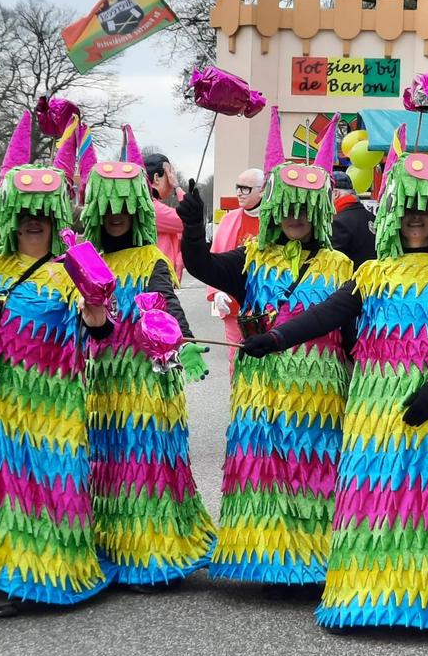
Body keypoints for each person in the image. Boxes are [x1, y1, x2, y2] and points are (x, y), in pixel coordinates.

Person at [242, 133, 428, 636]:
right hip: (373, 410)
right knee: (376, 499)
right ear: (395, 214)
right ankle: (369, 598)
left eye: (425, 209)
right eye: (408, 209)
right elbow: (329, 313)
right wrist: (275, 339)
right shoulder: (373, 274)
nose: (415, 218)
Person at [178, 107, 353, 593]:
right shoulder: (253, 258)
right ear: (274, 208)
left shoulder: (342, 264)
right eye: (287, 205)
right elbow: (201, 266)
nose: (295, 216)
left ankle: (314, 560)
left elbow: (353, 327)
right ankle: (268, 559)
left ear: (317, 209)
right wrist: (193, 228)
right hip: (261, 388)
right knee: (266, 470)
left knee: (311, 470)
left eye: (304, 206)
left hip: (318, 394)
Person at [0, 112, 111, 616]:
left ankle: (55, 574)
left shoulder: (77, 262)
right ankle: (2, 582)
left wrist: (95, 316)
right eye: (26, 210)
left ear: (58, 215)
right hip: (5, 400)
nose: (36, 219)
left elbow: (102, 333)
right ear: (13, 214)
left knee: (57, 485)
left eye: (44, 211)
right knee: (9, 490)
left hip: (57, 398)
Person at [81, 128, 216, 590]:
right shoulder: (82, 259)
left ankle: (150, 553)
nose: (118, 214)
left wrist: (187, 342)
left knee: (145, 465)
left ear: (137, 208)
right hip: (102, 382)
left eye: (126, 205)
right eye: (110, 205)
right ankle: (109, 546)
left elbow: (168, 305)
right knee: (109, 464)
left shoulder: (150, 258)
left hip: (144, 381)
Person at [207, 168, 263, 367]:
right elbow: (214, 259)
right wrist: (217, 290)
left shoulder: (274, 220)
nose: (239, 192)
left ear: (262, 190)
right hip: (235, 304)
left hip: (267, 304)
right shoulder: (229, 219)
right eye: (238, 187)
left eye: (246, 188)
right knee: (236, 358)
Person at [145, 151, 186, 280]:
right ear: (157, 178)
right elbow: (191, 218)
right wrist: (177, 187)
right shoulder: (152, 208)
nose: (172, 178)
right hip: (157, 278)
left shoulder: (149, 205)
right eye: (169, 174)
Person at [329, 170, 376, 268]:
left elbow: (333, 265)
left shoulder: (337, 223)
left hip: (351, 281)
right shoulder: (373, 218)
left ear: (335, 193)